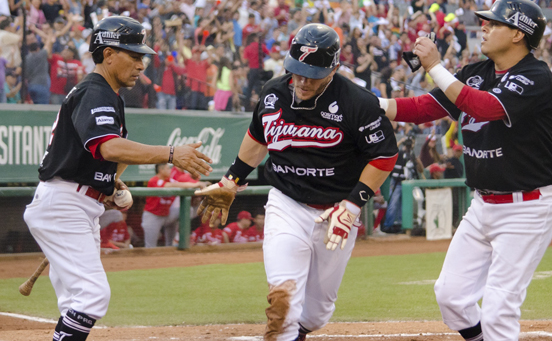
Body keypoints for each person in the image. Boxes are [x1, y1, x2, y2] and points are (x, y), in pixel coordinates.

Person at [195, 24, 398, 341]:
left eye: (312, 74)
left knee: (316, 314)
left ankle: (297, 332)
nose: (301, 81)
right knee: (284, 299)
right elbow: (257, 138)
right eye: (296, 71)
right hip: (286, 204)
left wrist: (353, 203)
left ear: (334, 69)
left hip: (337, 213)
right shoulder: (275, 92)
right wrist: (231, 180)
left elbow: (384, 156)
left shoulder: (358, 102)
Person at [378, 0, 552, 340]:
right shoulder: (475, 72)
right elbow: (421, 108)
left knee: (498, 307)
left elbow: (486, 107)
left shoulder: (536, 76)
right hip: (482, 205)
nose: (485, 27)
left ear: (518, 34)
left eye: (495, 23)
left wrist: (434, 66)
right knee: (451, 296)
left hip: (527, 207)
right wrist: (367, 103)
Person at [22, 16, 213, 341]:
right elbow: (109, 147)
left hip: (76, 201)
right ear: (108, 54)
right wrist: (170, 153)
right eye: (134, 55)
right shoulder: (95, 92)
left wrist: (110, 184)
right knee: (93, 296)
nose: (141, 64)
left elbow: (104, 155)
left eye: (142, 57)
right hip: (65, 203)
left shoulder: (106, 94)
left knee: (74, 302)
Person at [142, 163, 203, 248]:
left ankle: (179, 235)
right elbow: (171, 185)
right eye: (168, 168)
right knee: (150, 247)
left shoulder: (169, 180)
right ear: (161, 170)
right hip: (153, 216)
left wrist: (198, 183)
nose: (170, 170)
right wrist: (195, 184)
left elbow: (182, 184)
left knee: (188, 209)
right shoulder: (154, 180)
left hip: (167, 215)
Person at [381, 135, 421, 234]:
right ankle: (388, 225)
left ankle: (401, 225)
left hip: (407, 183)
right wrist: (401, 141)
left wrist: (416, 158)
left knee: (404, 205)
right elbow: (390, 151)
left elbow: (419, 169)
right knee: (393, 204)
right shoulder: (399, 153)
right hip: (396, 181)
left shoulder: (411, 155)